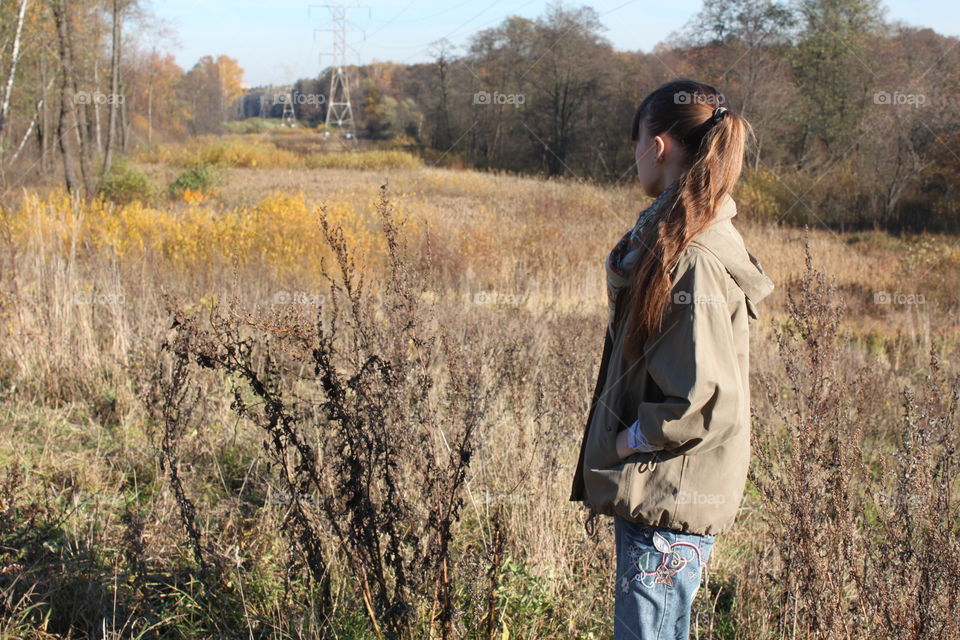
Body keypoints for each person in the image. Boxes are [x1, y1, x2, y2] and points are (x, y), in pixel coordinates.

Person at [568, 79, 776, 639]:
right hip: (662, 495)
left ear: (657, 145)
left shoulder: (693, 258)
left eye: (635, 141)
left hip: (669, 495)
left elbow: (703, 398)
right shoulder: (668, 239)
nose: (632, 155)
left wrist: (624, 441)